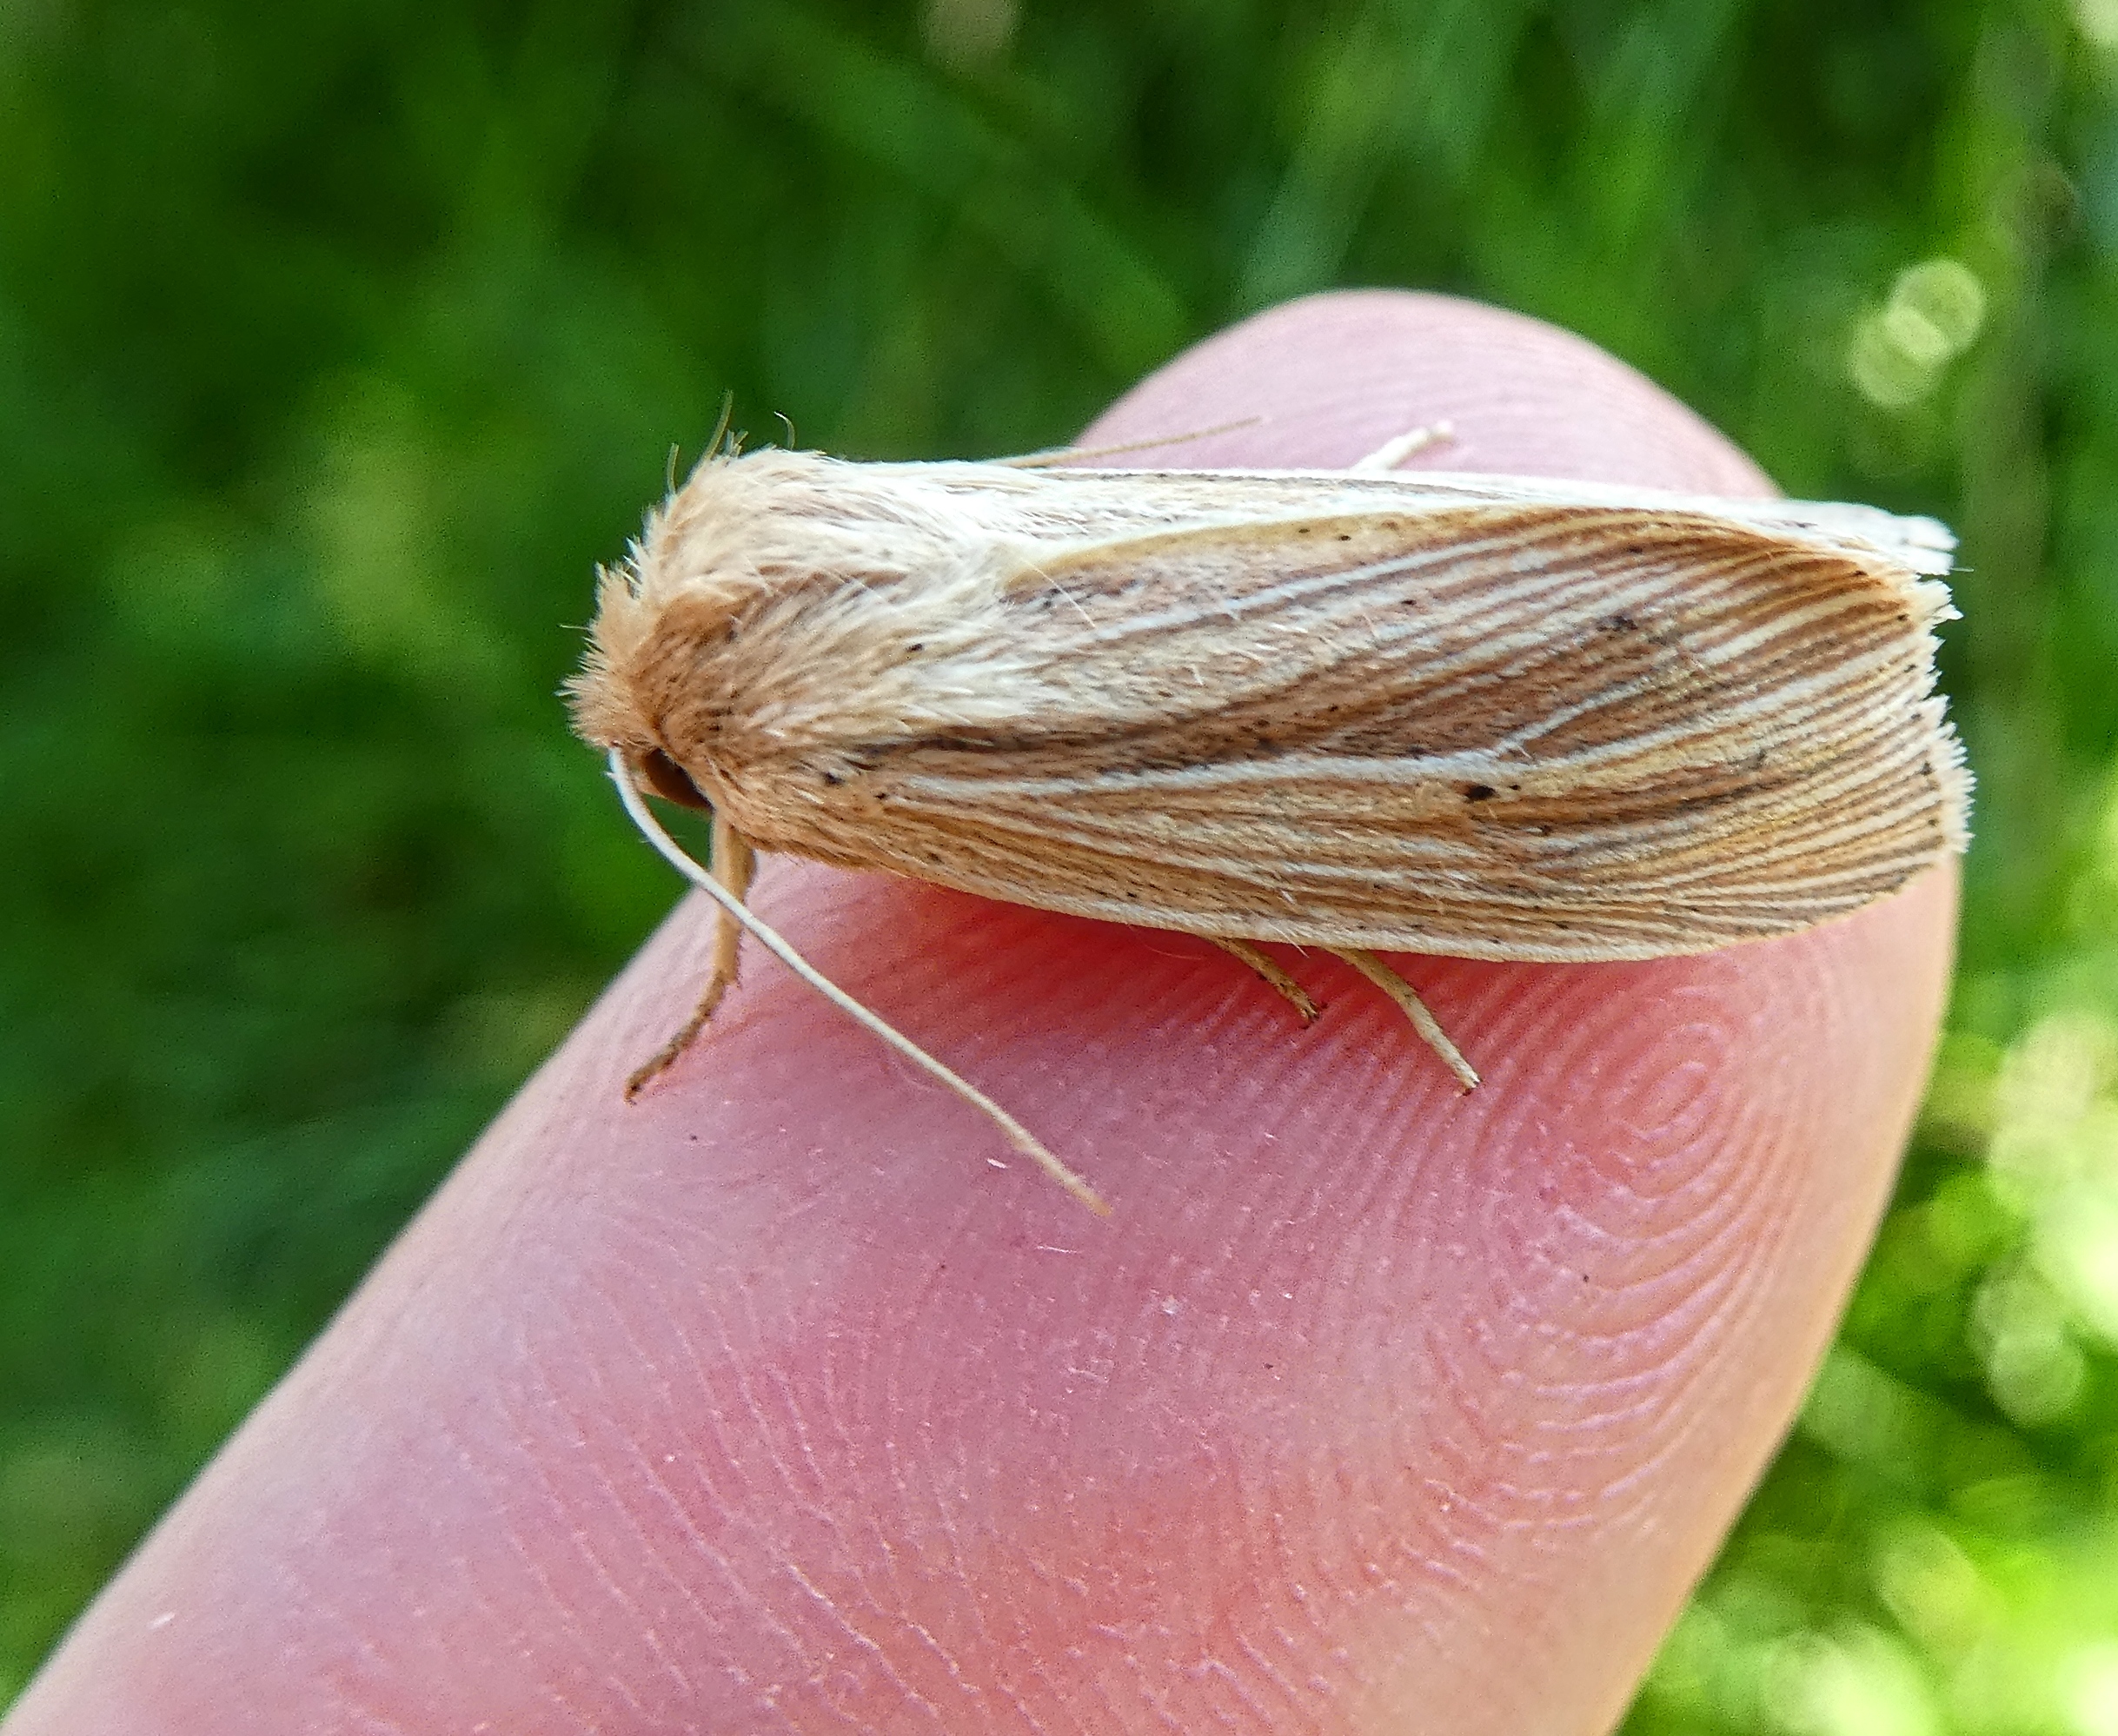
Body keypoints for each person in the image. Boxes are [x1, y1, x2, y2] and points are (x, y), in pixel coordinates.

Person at [6, 290, 1955, 1735]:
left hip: (1510, 741)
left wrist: (1267, 895)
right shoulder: (767, 526)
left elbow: (1152, 823)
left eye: (691, 802)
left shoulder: (819, 774)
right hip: (1338, 565)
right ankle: (1784, 615)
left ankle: (1782, 637)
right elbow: (1117, 526)